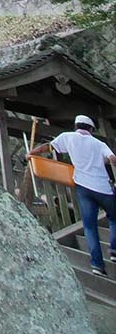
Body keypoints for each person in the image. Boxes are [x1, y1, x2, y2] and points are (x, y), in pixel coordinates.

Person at [32, 113, 116, 275]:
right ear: (91, 129)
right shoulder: (99, 143)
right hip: (103, 187)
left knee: (90, 227)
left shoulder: (67, 137)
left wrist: (31, 153)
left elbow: (47, 147)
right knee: (113, 218)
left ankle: (97, 265)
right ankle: (114, 250)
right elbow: (113, 158)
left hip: (83, 188)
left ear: (76, 126)